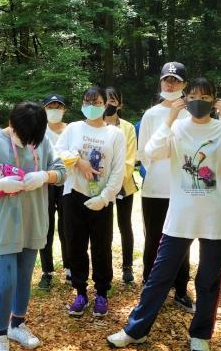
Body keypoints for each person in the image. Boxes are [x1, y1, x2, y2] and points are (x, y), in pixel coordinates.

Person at [107, 77, 221, 351]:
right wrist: (169, 119)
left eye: (206, 99)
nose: (199, 103)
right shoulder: (178, 127)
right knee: (159, 276)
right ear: (185, 99)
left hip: (216, 217)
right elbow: (151, 152)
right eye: (194, 97)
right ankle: (137, 329)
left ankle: (200, 336)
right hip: (180, 215)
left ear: (215, 101)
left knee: (208, 280)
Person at [0, 102, 66, 351]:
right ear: (12, 123)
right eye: (23, 135)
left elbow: (61, 171)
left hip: (33, 221)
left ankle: (17, 324)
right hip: (2, 224)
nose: (28, 141)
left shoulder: (42, 142)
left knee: (23, 277)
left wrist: (45, 176)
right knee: (5, 280)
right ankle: (0, 334)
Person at [56, 85, 126, 318]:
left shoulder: (115, 134)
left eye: (97, 102)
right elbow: (58, 153)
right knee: (75, 245)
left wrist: (105, 197)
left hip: (102, 198)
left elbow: (118, 170)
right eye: (87, 101)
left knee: (101, 247)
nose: (92, 106)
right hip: (74, 194)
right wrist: (79, 162)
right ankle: (80, 292)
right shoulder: (74, 128)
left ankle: (102, 293)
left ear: (106, 103)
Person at [137, 61, 194, 312]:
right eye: (166, 80)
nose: (170, 84)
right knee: (154, 239)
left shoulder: (194, 113)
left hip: (184, 189)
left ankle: (181, 288)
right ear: (160, 82)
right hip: (155, 189)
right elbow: (143, 153)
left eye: (176, 80)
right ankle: (151, 287)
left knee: (182, 240)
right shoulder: (151, 115)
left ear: (184, 85)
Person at [104, 86, 138, 284]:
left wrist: (116, 181)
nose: (109, 104)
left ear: (120, 104)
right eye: (106, 100)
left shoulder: (128, 128)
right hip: (99, 186)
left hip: (124, 184)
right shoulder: (94, 125)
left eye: (113, 101)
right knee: (103, 228)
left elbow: (130, 159)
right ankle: (105, 267)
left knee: (125, 225)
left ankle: (127, 267)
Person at [38, 94, 71, 289]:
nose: (55, 110)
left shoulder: (71, 130)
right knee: (46, 227)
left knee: (67, 227)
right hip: (46, 183)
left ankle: (70, 268)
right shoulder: (40, 132)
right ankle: (47, 271)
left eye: (59, 106)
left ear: (64, 110)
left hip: (67, 183)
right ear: (44, 110)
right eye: (51, 107)